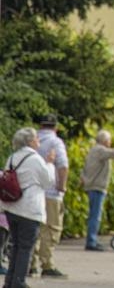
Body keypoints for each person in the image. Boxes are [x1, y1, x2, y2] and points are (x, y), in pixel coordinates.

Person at [1, 128, 54, 288]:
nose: (39, 140)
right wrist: (50, 163)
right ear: (30, 141)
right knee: (25, 247)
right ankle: (19, 282)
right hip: (29, 209)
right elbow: (48, 182)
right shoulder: (35, 159)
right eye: (37, 138)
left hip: (12, 207)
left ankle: (9, 281)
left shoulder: (12, 157)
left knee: (16, 245)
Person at [81, 130, 114, 251]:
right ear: (104, 140)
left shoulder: (94, 150)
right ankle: (91, 242)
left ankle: (92, 239)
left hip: (92, 185)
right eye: (109, 140)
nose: (110, 142)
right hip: (96, 187)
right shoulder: (100, 150)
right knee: (95, 215)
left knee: (94, 214)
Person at [33, 114, 67, 279]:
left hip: (33, 192)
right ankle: (47, 265)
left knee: (35, 228)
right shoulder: (56, 142)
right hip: (52, 192)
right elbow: (62, 165)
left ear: (40, 126)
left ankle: (30, 264)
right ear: (55, 127)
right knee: (52, 228)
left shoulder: (31, 140)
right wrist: (62, 185)